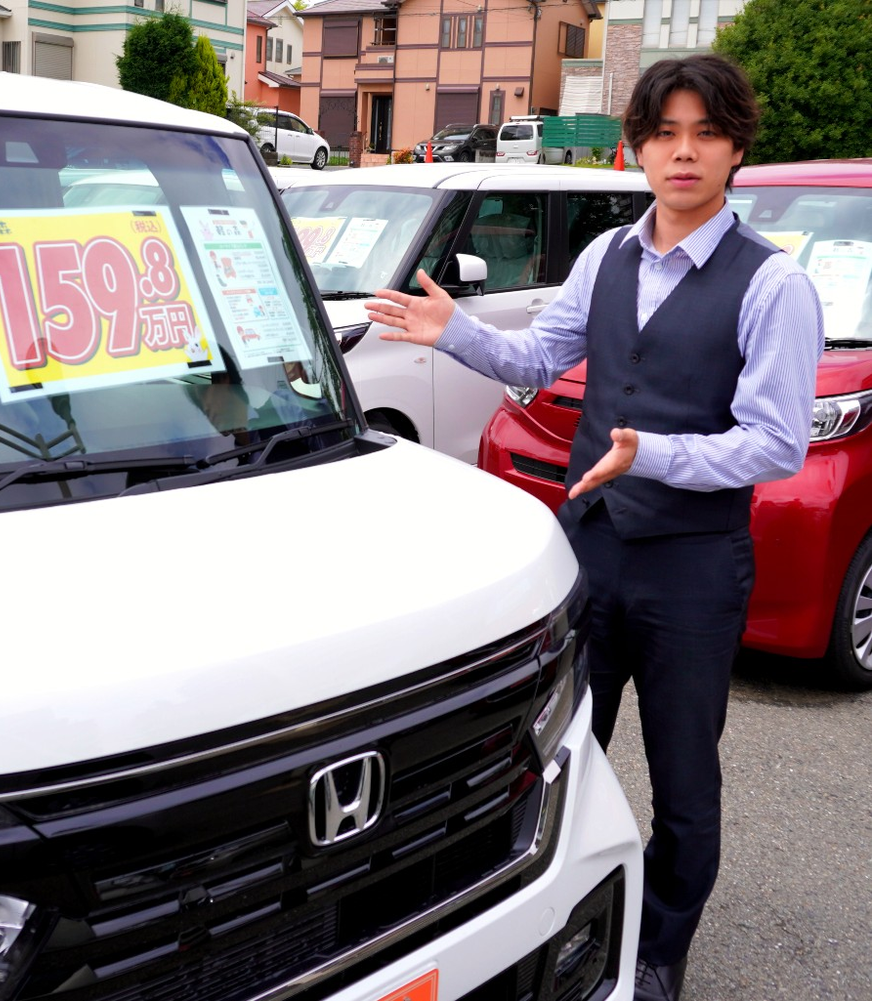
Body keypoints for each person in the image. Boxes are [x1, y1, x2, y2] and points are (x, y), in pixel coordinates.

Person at [365, 55, 823, 1001]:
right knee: (563, 744)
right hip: (591, 547)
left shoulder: (774, 285)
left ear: (737, 148)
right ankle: (549, 911)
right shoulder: (608, 254)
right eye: (665, 134)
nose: (683, 152)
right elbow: (540, 355)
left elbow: (777, 443)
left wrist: (652, 454)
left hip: (694, 564)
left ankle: (659, 949)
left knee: (685, 776)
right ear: (637, 149)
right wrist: (454, 331)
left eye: (705, 134)